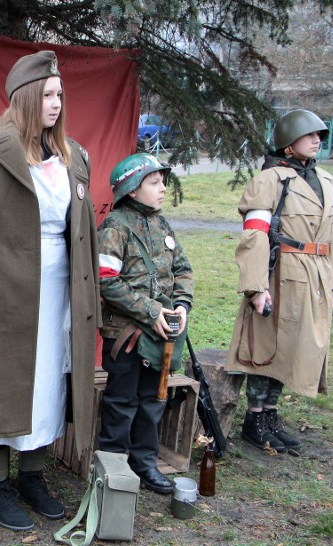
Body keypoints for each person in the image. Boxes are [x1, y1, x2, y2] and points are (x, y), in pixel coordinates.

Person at [0, 51, 100, 531]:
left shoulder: (76, 158)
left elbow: (84, 236)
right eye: (48, 95)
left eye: (60, 95)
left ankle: (32, 477)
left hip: (58, 287)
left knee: (48, 379)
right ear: (26, 97)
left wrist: (87, 296)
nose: (56, 103)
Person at [226, 109, 333, 453]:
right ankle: (255, 418)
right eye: (309, 135)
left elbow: (332, 238)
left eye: (320, 135)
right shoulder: (270, 180)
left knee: (296, 348)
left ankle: (272, 414)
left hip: (317, 276)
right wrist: (256, 287)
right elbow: (255, 236)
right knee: (268, 346)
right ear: (289, 143)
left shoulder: (326, 182)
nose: (317, 140)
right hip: (282, 275)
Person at [96, 153, 194, 495]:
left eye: (162, 181)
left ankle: (144, 463)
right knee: (121, 403)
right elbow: (106, 280)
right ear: (132, 190)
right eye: (154, 182)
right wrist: (150, 312)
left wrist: (180, 305)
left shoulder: (163, 225)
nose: (162, 188)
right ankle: (110, 468)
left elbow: (182, 269)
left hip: (162, 335)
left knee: (153, 400)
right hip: (127, 336)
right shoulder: (114, 227)